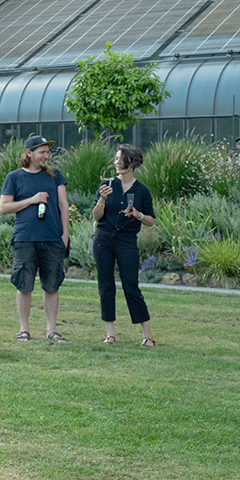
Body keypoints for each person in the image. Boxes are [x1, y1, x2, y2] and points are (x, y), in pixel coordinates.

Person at [0, 134, 70, 343]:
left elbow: (63, 205)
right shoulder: (14, 177)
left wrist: (65, 235)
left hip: (52, 239)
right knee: (24, 285)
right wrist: (31, 200)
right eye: (42, 152)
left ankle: (51, 330)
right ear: (29, 153)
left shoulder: (55, 175)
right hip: (25, 239)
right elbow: (4, 207)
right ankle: (24, 329)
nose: (47, 156)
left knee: (52, 286)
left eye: (48, 152)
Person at [93, 144, 156, 347]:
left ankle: (148, 336)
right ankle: (110, 335)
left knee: (131, 285)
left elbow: (150, 221)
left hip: (127, 241)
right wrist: (102, 199)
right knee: (106, 285)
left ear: (133, 163)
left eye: (121, 159)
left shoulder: (142, 191)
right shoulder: (107, 184)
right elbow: (96, 216)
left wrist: (138, 214)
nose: (117, 163)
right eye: (116, 159)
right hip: (103, 239)